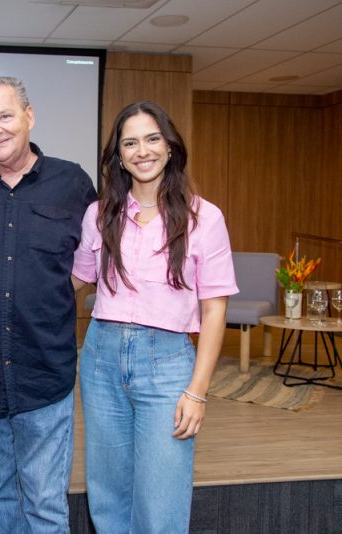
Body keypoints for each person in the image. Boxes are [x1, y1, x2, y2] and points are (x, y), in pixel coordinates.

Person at [0, 77, 97, 533]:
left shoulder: (73, 183)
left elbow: (91, 262)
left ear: (29, 115)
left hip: (44, 376)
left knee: (46, 507)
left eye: (4, 116)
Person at [71, 100, 237, 533]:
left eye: (151, 139)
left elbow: (215, 307)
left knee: (160, 500)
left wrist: (198, 391)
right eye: (130, 143)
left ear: (169, 146)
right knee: (108, 496)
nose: (142, 151)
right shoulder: (99, 213)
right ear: (119, 155)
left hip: (167, 366)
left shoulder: (205, 217)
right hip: (101, 358)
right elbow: (74, 281)